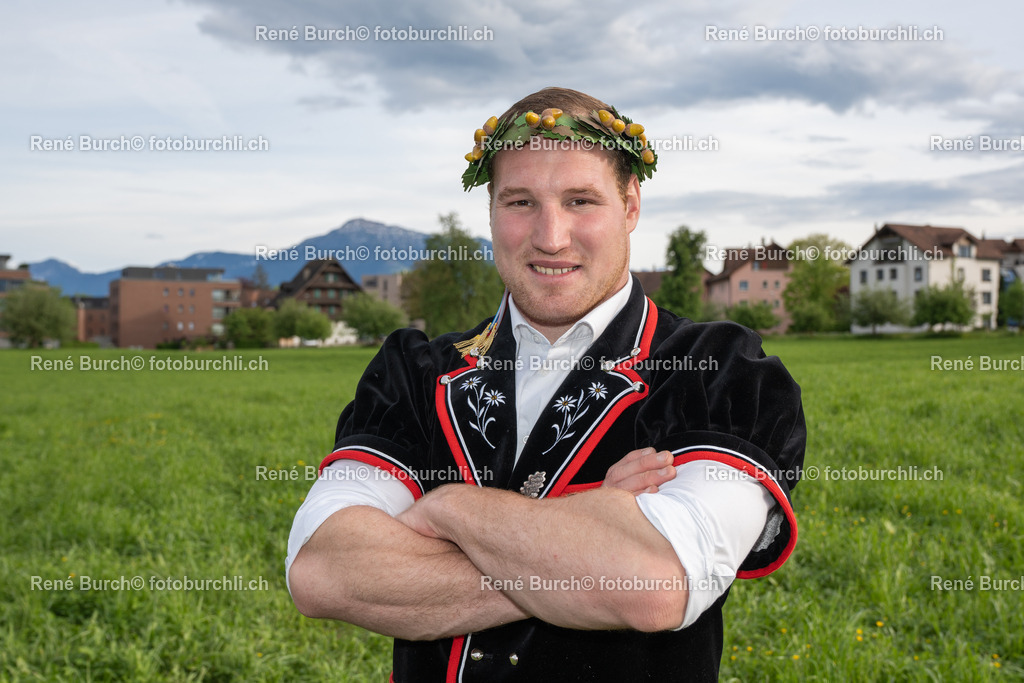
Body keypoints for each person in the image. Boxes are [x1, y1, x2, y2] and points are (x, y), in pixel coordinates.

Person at [286, 87, 806, 682]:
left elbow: (654, 585)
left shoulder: (719, 370)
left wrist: (449, 508)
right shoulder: (413, 370)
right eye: (521, 202)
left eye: (581, 200)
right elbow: (323, 571)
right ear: (490, 211)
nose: (551, 236)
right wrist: (589, 536)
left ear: (631, 205)